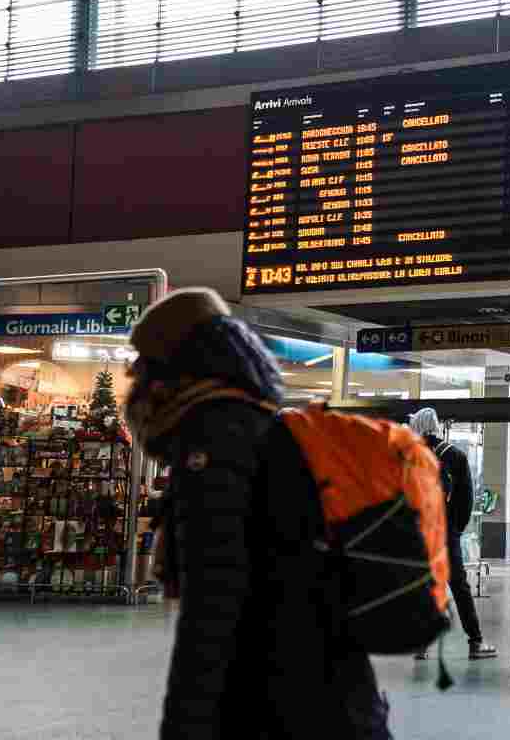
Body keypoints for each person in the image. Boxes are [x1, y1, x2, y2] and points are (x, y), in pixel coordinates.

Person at [124, 288, 391, 740]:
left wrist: (183, 727)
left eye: (142, 368)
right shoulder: (268, 427)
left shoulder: (213, 442)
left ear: (172, 367)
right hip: (335, 689)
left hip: (279, 701)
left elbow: (212, 606)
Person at [408, 408, 497, 660]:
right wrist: (455, 528)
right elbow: (466, 499)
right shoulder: (455, 456)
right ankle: (476, 642)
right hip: (445, 531)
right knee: (458, 585)